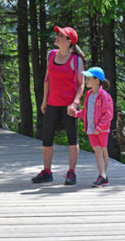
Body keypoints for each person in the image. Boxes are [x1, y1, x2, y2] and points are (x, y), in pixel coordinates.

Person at [32, 26, 86, 185]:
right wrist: (44, 101)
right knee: (46, 138)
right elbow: (47, 79)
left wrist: (75, 103)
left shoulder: (76, 60)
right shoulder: (51, 55)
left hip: (69, 106)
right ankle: (47, 171)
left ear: (69, 41)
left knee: (72, 139)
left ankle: (71, 173)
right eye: (58, 34)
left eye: (61, 35)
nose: (57, 37)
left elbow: (81, 85)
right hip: (52, 104)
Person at [68, 67, 114, 187]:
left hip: (101, 130)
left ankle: (103, 176)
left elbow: (108, 114)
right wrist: (76, 114)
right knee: (97, 151)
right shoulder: (89, 95)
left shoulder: (104, 96)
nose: (86, 80)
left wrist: (99, 128)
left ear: (97, 81)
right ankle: (102, 176)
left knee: (103, 150)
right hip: (91, 129)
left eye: (88, 78)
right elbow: (87, 112)